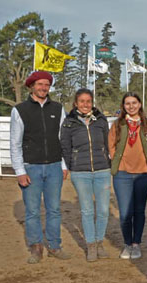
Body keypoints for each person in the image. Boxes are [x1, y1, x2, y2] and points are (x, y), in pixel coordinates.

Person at [10, 71, 70, 263]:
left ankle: (54, 245)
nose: (43, 88)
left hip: (54, 167)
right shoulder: (20, 110)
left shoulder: (59, 109)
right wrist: (20, 171)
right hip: (31, 167)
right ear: (31, 86)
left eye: (47, 84)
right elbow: (15, 143)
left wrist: (64, 165)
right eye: (39, 84)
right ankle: (36, 247)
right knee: (33, 211)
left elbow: (63, 139)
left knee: (54, 209)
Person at [60, 89, 111, 262]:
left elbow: (107, 142)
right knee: (87, 210)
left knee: (103, 210)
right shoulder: (69, 123)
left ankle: (99, 242)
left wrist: (107, 162)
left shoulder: (101, 120)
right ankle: (90, 245)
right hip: (80, 173)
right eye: (81, 101)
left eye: (88, 101)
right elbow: (65, 147)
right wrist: (72, 166)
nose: (85, 104)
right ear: (75, 103)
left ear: (92, 102)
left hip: (102, 170)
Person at [109, 92, 147, 260]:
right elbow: (111, 146)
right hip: (122, 174)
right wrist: (119, 163)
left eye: (134, 103)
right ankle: (127, 243)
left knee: (139, 210)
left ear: (139, 104)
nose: (131, 106)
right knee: (124, 212)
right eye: (127, 103)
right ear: (123, 106)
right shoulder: (117, 125)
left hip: (143, 174)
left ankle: (136, 243)